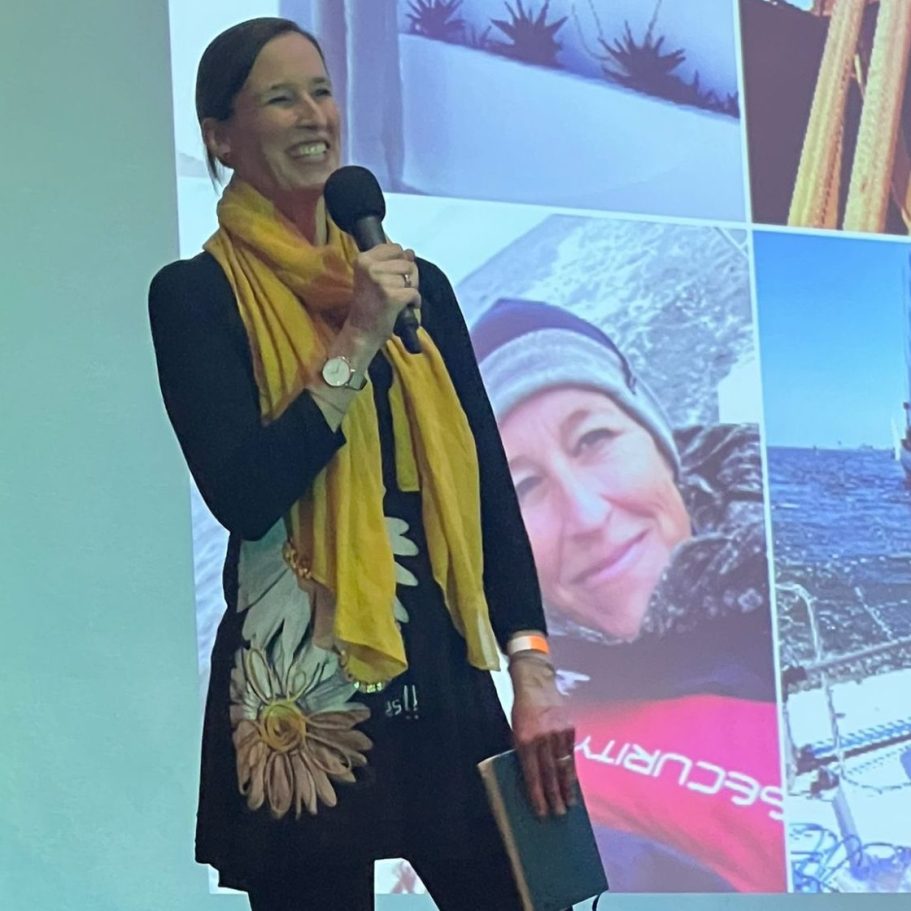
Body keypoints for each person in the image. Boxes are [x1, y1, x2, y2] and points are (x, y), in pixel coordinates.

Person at [148, 19, 575, 911]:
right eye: (280, 97)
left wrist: (531, 668)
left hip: (443, 668)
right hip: (300, 693)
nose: (314, 116)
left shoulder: (421, 287)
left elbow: (487, 488)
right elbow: (246, 491)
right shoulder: (193, 297)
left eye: (321, 90)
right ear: (221, 136)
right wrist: (354, 342)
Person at [472, 299, 786, 892]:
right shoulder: (528, 761)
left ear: (658, 442)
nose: (587, 516)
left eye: (594, 439)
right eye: (525, 486)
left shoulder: (832, 561)